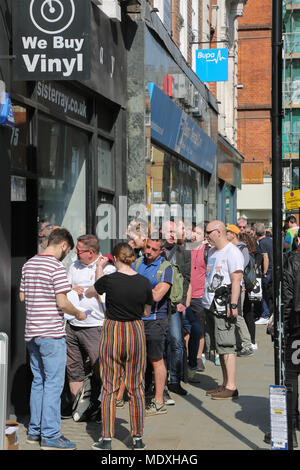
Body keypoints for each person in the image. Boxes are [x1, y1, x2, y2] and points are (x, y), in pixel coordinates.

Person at [19, 228, 87, 450]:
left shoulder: (28, 264)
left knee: (38, 382)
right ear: (64, 246)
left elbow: (22, 296)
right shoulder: (57, 267)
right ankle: (50, 436)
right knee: (54, 385)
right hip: (52, 333)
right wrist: (77, 312)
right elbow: (62, 302)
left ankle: (34, 432)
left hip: (32, 333)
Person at [85, 243, 153, 450]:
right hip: (135, 331)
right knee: (136, 386)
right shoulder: (144, 282)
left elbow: (90, 293)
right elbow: (147, 312)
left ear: (115, 258)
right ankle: (138, 438)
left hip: (113, 330)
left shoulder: (109, 280)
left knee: (109, 386)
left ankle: (106, 439)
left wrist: (99, 270)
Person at [65, 234, 116, 422]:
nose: (76, 253)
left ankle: (101, 406)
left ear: (91, 252)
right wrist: (72, 288)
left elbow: (109, 293)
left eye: (79, 251)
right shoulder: (74, 265)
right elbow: (65, 286)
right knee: (73, 368)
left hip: (95, 326)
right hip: (72, 324)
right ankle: (80, 409)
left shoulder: (107, 269)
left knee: (100, 368)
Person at [201, 220, 244, 400]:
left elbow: (236, 280)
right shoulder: (212, 252)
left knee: (227, 345)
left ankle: (231, 386)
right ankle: (225, 383)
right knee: (219, 346)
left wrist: (233, 305)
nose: (206, 235)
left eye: (208, 232)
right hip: (210, 303)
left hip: (223, 305)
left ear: (218, 232)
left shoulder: (232, 252)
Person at [133, 234, 174, 414]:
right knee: (136, 360)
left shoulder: (166, 268)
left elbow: (157, 296)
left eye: (153, 249)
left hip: (156, 320)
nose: (148, 252)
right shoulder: (136, 262)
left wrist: (134, 290)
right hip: (136, 320)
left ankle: (158, 400)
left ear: (162, 250)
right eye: (147, 247)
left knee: (156, 360)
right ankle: (137, 395)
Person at [161, 220, 191, 395]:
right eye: (168, 231)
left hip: (174, 305)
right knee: (161, 343)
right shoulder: (155, 250)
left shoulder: (184, 253)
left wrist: (182, 301)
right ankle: (161, 380)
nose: (171, 234)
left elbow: (186, 278)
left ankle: (175, 379)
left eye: (174, 231)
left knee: (177, 342)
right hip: (158, 303)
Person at [282, 228, 300, 448]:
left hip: (296, 326)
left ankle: (290, 429)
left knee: (292, 377)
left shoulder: (293, 261)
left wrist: (284, 329)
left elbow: (287, 297)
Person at [226, 225, 253, 357]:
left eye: (227, 232)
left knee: (238, 315)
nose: (225, 234)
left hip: (239, 286)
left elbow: (240, 268)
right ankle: (239, 343)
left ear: (233, 234)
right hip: (231, 286)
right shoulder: (230, 248)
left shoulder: (242, 248)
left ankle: (247, 344)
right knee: (234, 315)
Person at [186, 225, 209, 372]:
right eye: (193, 232)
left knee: (199, 329)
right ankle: (188, 357)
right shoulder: (185, 249)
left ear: (204, 237)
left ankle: (198, 357)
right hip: (186, 295)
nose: (195, 235)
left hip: (200, 295)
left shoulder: (207, 251)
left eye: (198, 233)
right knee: (186, 329)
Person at [239, 232, 263, 351]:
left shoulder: (243, 254)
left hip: (244, 286)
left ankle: (246, 340)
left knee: (243, 313)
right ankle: (252, 341)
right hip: (251, 286)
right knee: (249, 313)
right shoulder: (254, 255)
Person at [255, 223, 273, 325]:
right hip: (273, 271)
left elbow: (265, 258)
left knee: (264, 295)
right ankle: (269, 315)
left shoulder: (261, 243)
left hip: (268, 272)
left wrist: (264, 272)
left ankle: (265, 315)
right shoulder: (270, 241)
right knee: (270, 295)